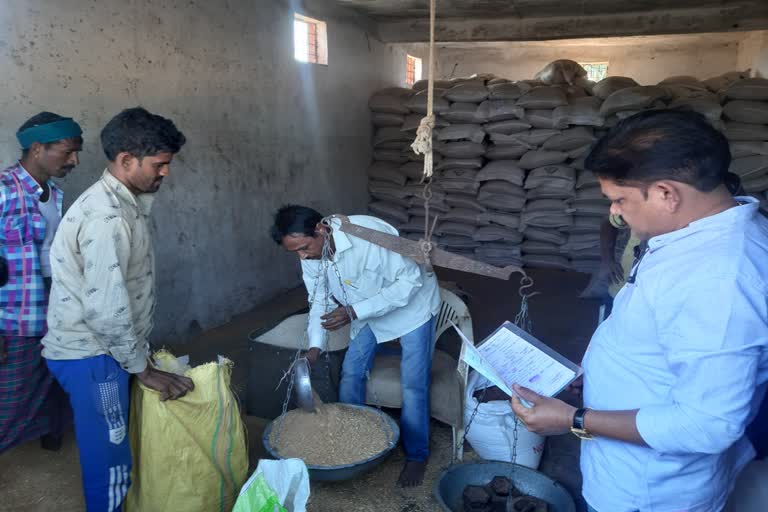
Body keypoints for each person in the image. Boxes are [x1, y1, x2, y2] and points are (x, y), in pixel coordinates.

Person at [509, 110, 768, 512]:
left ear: (667, 193)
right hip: (629, 469)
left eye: (620, 200)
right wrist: (594, 377)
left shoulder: (721, 279)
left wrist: (575, 420)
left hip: (650, 492)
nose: (616, 214)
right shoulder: (690, 239)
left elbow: (706, 425)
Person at [41, 107, 194, 511]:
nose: (165, 173)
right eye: (159, 165)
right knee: (110, 459)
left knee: (114, 443)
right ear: (126, 160)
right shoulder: (106, 216)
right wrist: (142, 369)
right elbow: (107, 310)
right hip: (92, 356)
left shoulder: (126, 203)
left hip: (105, 351)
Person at [270, 205, 441, 487]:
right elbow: (319, 301)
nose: (302, 256)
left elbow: (409, 281)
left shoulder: (370, 235)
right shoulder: (311, 254)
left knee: (413, 383)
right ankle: (354, 440)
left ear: (321, 230)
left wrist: (354, 311)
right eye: (295, 252)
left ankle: (417, 455)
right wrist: (314, 350)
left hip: (411, 310)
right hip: (365, 312)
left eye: (303, 248)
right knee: (351, 372)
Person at [0, 112, 83, 453]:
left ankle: (50, 433)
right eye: (67, 152)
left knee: (55, 377)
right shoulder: (4, 190)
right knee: (11, 394)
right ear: (37, 149)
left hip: (55, 299)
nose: (75, 160)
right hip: (14, 315)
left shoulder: (55, 193)